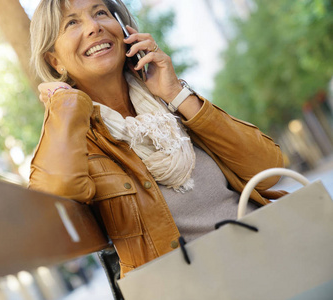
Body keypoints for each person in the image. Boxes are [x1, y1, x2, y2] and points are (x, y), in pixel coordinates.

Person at [28, 0, 286, 277]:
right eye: (72, 23)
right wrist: (64, 104)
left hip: (270, 254)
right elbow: (51, 207)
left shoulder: (171, 103)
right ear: (54, 60)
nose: (94, 27)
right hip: (193, 286)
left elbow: (269, 170)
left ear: (125, 31)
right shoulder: (78, 142)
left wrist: (176, 92)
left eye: (100, 13)